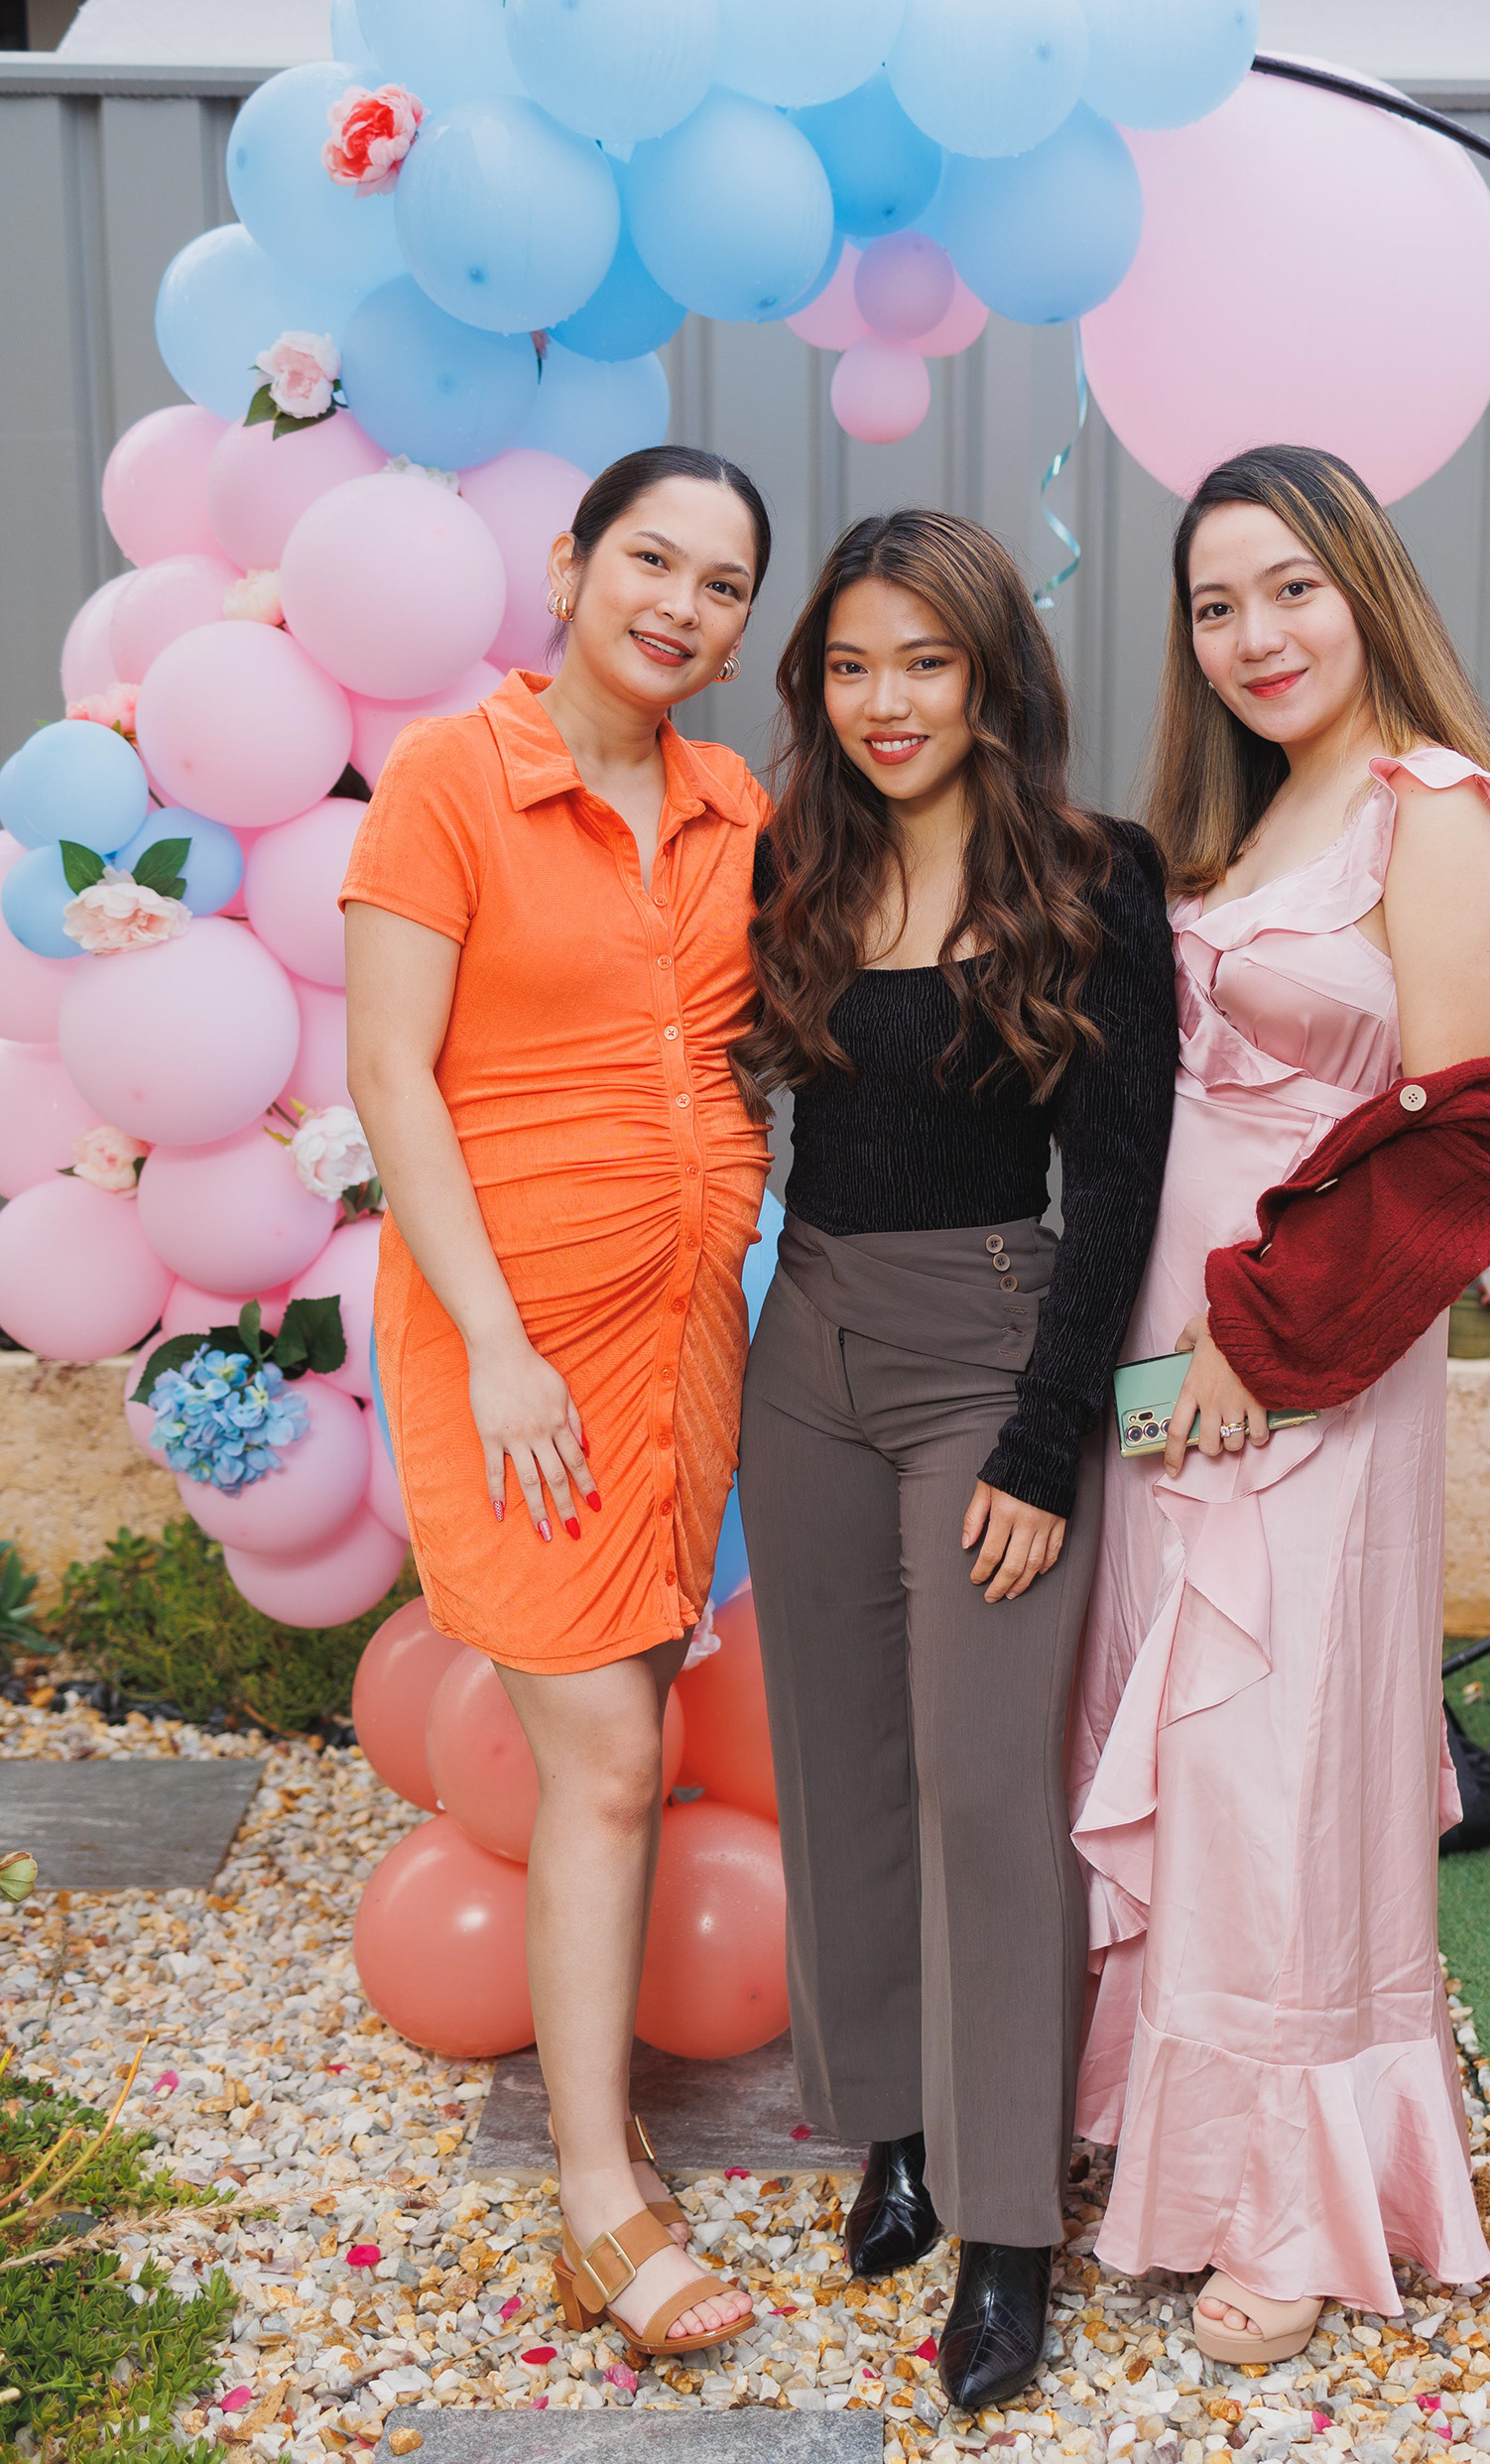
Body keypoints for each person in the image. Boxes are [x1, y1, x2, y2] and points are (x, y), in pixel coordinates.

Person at [1069, 444, 1490, 2363]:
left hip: (1310, 1362)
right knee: (1180, 1735)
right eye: (1215, 605)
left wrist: (1256, 1353)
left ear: (1364, 589)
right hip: (1171, 1363)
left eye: (1290, 589)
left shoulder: (1436, 809)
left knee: (1283, 1756)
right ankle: (1171, 2135)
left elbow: (1455, 1146)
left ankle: (1290, 2196)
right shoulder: (1244, 822)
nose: (1255, 635)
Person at [732, 510, 1179, 2412]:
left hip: (990, 1350)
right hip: (806, 1343)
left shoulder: (1094, 875)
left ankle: (1008, 2230)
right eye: (849, 665)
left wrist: (1047, 1437)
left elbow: (1122, 1184)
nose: (885, 701)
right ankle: (893, 2127)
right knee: (836, 1758)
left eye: (923, 660)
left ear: (993, 671)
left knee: (987, 1782)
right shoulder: (795, 861)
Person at [341, 444, 776, 2367]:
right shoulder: (452, 777)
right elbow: (393, 1079)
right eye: (651, 560)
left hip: (684, 1337)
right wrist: (497, 1341)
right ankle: (599, 2193)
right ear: (571, 564)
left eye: (722, 584)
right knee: (604, 1755)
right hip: (512, 1346)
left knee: (636, 1723)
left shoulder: (737, 807)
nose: (680, 605)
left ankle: (606, 2146)